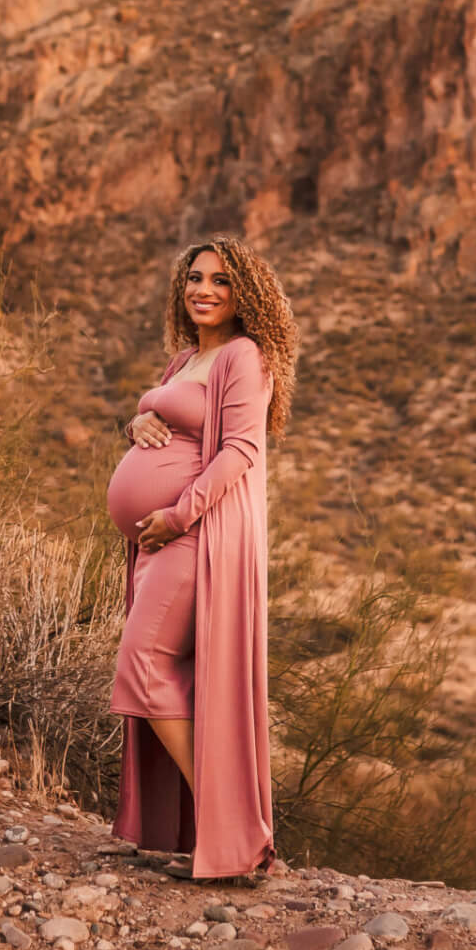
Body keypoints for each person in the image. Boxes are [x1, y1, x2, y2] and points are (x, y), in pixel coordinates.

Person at [106, 235, 296, 881]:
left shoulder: (245, 357)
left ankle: (236, 834)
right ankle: (219, 833)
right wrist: (136, 423)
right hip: (156, 541)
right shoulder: (183, 359)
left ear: (246, 295)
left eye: (220, 280)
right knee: (166, 673)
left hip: (196, 535)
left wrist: (178, 515)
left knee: (143, 665)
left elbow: (240, 450)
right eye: (195, 277)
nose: (204, 290)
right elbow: (159, 416)